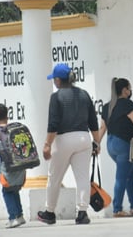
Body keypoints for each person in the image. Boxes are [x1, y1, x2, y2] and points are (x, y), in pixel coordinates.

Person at [37, 63, 100, 225]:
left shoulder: (56, 97)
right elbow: (93, 122)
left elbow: (53, 124)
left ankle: (49, 212)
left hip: (64, 139)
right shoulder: (84, 94)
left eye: (54, 79)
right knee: (82, 177)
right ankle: (82, 213)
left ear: (58, 80)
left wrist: (47, 145)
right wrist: (97, 142)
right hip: (84, 138)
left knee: (54, 177)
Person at [98, 77, 133, 218]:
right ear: (125, 90)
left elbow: (103, 127)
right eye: (129, 88)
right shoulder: (127, 104)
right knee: (121, 177)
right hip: (123, 144)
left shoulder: (108, 106)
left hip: (111, 143)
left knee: (130, 175)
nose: (130, 91)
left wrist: (97, 144)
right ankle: (117, 209)